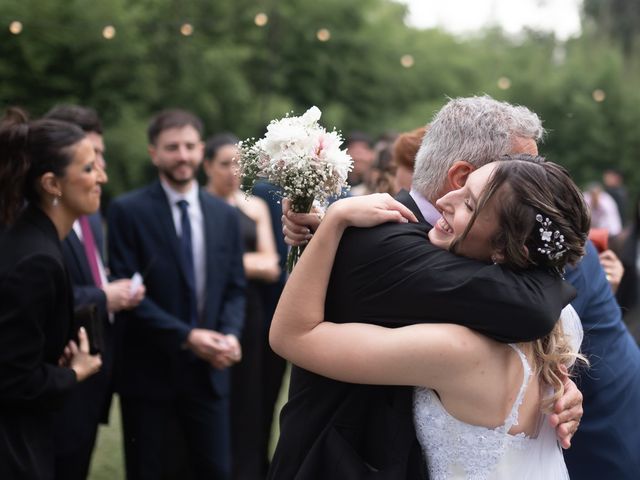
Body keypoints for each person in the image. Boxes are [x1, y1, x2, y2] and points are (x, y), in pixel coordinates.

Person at [283, 96, 640, 479]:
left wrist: (554, 390)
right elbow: (531, 311)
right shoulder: (381, 243)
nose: (530, 182)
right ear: (460, 175)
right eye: (520, 168)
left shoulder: (488, 272)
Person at [107, 109, 246, 479]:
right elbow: (128, 294)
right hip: (150, 372)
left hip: (210, 374)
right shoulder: (127, 211)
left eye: (188, 146)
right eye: (172, 148)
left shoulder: (225, 216)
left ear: (201, 150)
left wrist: (230, 334)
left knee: (215, 470)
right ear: (154, 153)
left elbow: (234, 287)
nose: (182, 156)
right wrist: (186, 337)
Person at [0, 108, 103, 479]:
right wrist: (74, 373)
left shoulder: (29, 236)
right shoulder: (36, 261)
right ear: (52, 184)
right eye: (89, 168)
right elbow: (12, 380)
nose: (101, 177)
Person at [44, 104, 145, 480]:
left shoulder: (87, 213)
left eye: (99, 156)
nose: (100, 170)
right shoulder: (35, 223)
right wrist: (105, 296)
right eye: (90, 160)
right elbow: (47, 295)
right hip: (58, 375)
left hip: (90, 380)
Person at [203, 133, 280, 479]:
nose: (233, 172)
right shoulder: (199, 205)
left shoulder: (254, 206)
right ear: (207, 166)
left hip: (250, 312)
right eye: (224, 164)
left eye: (239, 164)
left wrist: (221, 262)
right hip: (206, 308)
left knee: (251, 396)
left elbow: (270, 264)